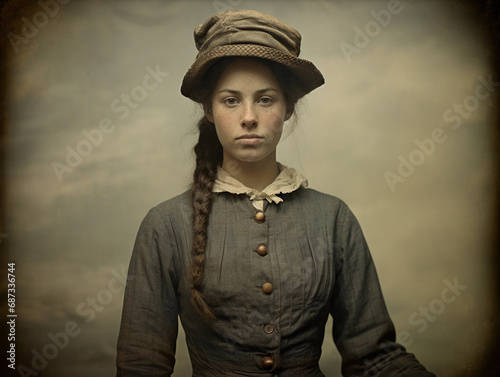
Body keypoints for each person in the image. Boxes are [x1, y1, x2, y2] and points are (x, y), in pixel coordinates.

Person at [116, 9, 436, 377]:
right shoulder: (165, 225)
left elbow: (376, 359)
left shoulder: (333, 218)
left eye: (265, 99)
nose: (248, 116)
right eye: (231, 100)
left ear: (287, 108)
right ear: (208, 109)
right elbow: (142, 366)